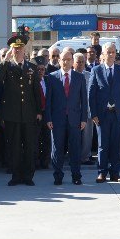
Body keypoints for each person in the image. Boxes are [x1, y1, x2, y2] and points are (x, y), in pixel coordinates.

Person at [0, 34, 42, 186]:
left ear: (24, 50)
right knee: (14, 147)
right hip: (12, 114)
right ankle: (15, 176)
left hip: (29, 114)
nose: (17, 51)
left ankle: (28, 176)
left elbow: (36, 91)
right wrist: (5, 59)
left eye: (20, 48)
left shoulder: (32, 68)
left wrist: (39, 111)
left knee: (29, 146)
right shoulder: (7, 66)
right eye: (15, 48)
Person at [88, 43, 120, 183]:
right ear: (103, 54)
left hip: (118, 114)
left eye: (113, 52)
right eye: (108, 52)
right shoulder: (96, 70)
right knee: (102, 145)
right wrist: (93, 114)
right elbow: (91, 94)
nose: (111, 54)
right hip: (102, 114)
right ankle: (102, 172)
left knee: (115, 144)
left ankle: (115, 173)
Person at [45, 49, 88, 185]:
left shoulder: (79, 77)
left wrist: (83, 119)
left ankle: (76, 176)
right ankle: (58, 176)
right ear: (59, 60)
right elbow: (48, 100)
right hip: (57, 120)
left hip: (75, 119)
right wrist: (49, 118)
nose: (65, 62)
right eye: (63, 59)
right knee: (57, 149)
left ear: (72, 62)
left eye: (68, 59)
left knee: (75, 148)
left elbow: (83, 100)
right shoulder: (52, 77)